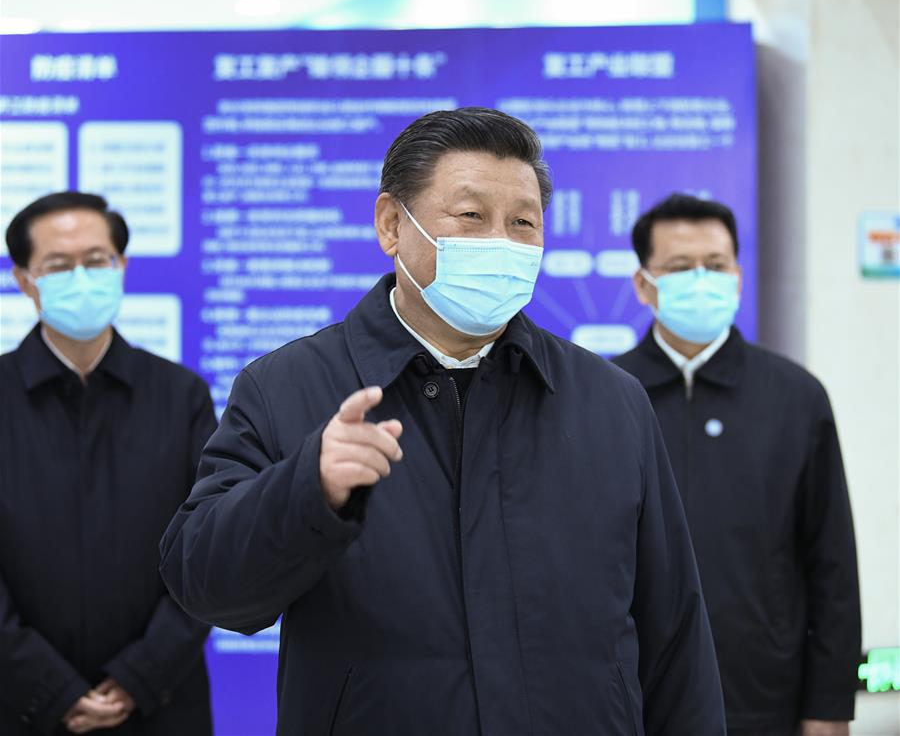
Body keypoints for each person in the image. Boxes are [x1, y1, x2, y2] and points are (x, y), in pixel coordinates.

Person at [160, 107, 726, 736]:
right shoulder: (286, 388)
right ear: (391, 225)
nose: (501, 243)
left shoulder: (611, 401)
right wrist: (306, 492)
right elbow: (205, 585)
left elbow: (676, 635)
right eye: (471, 216)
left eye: (523, 223)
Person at [614, 193, 861, 736]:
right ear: (643, 284)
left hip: (764, 700)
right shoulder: (604, 395)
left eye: (716, 265)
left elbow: (832, 562)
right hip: (633, 699)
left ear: (738, 278)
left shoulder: (795, 397)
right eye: (680, 267)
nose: (701, 280)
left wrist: (829, 705)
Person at [0, 192, 216, 736]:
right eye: (58, 265)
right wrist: (49, 688)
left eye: (96, 260)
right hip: (16, 703)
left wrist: (139, 677)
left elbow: (208, 549)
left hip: (161, 703)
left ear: (121, 266)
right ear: (24, 280)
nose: (81, 278)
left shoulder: (180, 396)